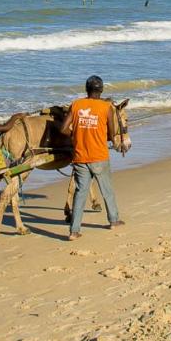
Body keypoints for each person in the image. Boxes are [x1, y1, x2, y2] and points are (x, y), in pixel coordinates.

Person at [60, 75, 123, 240]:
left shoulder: (76, 105)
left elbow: (63, 129)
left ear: (86, 89)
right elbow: (110, 133)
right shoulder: (106, 107)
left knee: (80, 193)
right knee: (107, 190)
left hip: (80, 157)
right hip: (99, 156)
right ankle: (113, 220)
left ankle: (74, 231)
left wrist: (76, 135)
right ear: (101, 90)